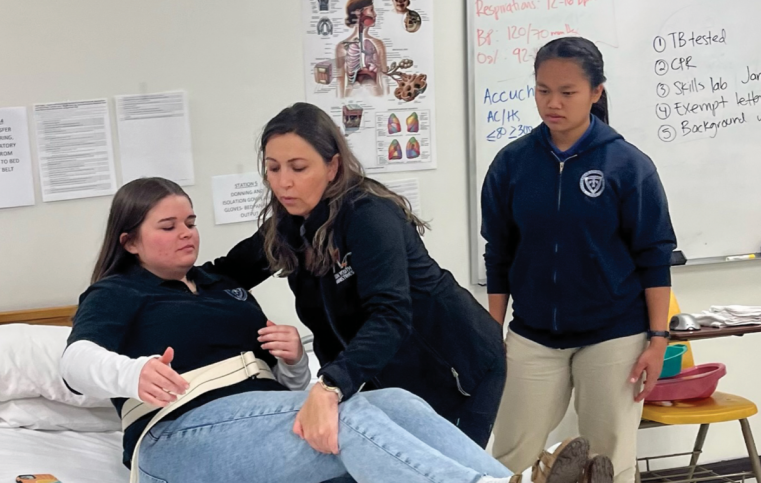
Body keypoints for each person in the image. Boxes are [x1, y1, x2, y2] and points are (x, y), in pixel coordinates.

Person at [59, 177, 515, 483]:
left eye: (191, 222)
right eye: (168, 226)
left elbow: (280, 391)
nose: (187, 233)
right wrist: (131, 373)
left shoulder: (221, 285)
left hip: (256, 418)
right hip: (176, 435)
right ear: (130, 240)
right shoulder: (118, 290)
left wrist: (295, 363)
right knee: (347, 414)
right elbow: (73, 364)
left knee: (396, 401)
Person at [204, 102, 506, 452]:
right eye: (273, 168)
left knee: (444, 466)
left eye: (298, 168)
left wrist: (331, 384)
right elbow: (228, 273)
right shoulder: (288, 226)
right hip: (379, 373)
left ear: (332, 166)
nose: (283, 182)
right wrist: (152, 280)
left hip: (457, 366)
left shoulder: (369, 216)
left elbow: (390, 315)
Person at [480, 37, 677, 483]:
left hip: (614, 334)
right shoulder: (511, 165)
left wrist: (658, 339)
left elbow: (654, 256)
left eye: (567, 92)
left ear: (596, 92)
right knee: (510, 453)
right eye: (542, 90)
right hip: (532, 335)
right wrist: (492, 332)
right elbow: (499, 254)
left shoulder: (628, 165)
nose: (552, 103)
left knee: (610, 459)